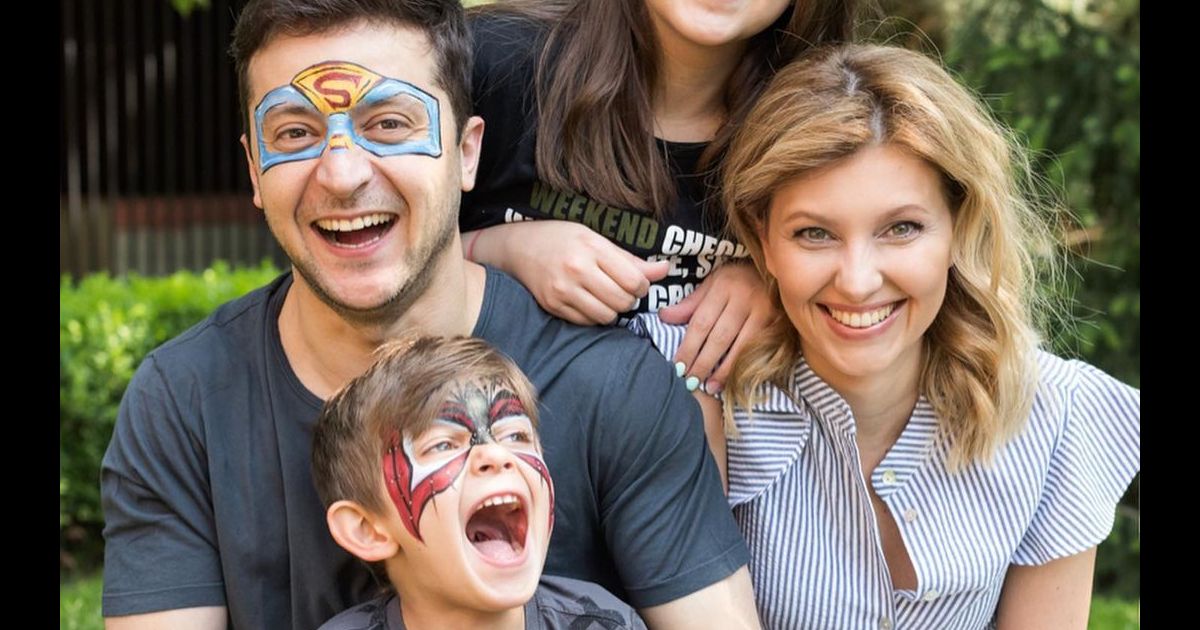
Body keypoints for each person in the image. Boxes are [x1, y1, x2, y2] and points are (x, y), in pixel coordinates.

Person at [99, 1, 756, 628]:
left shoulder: (614, 387)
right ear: (252, 168)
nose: (341, 174)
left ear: (468, 152)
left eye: (389, 123)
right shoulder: (185, 402)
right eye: (295, 133)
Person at [638, 43, 1140, 629]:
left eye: (901, 228)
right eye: (814, 233)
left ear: (959, 224)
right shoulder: (686, 380)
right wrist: (509, 246)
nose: (857, 281)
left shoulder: (1057, 415)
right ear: (761, 236)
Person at [459, 0, 868, 396]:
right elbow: (397, 267)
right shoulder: (491, 60)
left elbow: (871, 265)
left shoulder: (816, 128)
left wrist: (776, 277)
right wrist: (500, 250)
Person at [312, 335, 645, 630]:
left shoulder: (604, 622)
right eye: (442, 444)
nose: (496, 455)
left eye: (515, 435)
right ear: (367, 530)